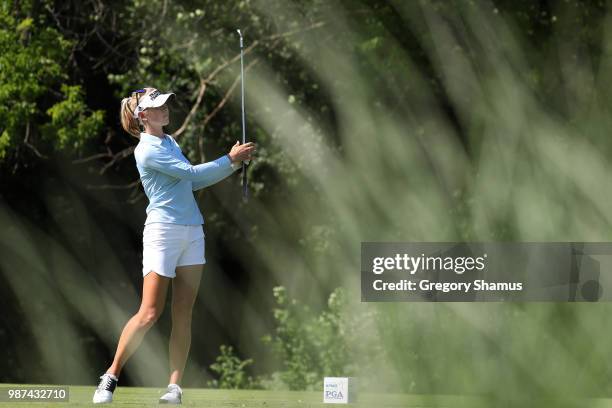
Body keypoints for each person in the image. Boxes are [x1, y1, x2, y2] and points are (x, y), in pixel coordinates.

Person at [92, 87, 255, 404]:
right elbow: (191, 172)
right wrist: (229, 159)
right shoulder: (147, 151)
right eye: (157, 106)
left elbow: (192, 182)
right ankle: (110, 376)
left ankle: (174, 388)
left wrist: (233, 165)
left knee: (184, 313)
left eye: (166, 103)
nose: (166, 108)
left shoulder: (170, 142)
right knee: (150, 312)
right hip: (163, 232)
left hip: (192, 231)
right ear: (143, 115)